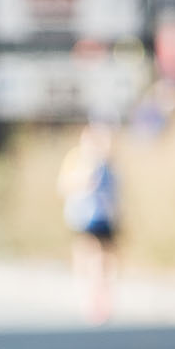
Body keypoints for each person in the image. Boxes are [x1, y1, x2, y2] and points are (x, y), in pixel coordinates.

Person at [58, 121, 119, 325]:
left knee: (106, 262)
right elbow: (65, 186)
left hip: (105, 217)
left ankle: (103, 300)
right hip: (82, 217)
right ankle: (88, 300)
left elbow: (116, 191)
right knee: (88, 258)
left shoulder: (107, 163)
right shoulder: (77, 159)